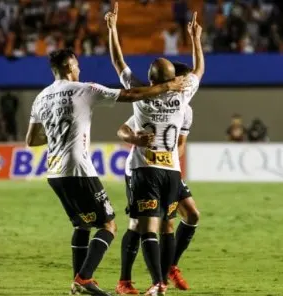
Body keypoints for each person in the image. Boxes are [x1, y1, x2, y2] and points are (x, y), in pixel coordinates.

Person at [26, 48, 186, 296]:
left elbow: (32, 140)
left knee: (81, 225)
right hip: (78, 169)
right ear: (69, 67)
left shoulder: (41, 98)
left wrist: (59, 129)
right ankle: (84, 279)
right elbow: (132, 93)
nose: (79, 69)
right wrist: (168, 87)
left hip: (54, 171)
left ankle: (78, 282)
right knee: (108, 225)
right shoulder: (83, 89)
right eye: (77, 65)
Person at [106, 3, 204, 295]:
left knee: (146, 227)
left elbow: (119, 64)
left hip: (146, 170)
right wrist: (196, 38)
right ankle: (153, 281)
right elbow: (198, 69)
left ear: (150, 80)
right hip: (170, 171)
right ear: (174, 78)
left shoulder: (140, 95)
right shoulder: (183, 95)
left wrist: (112, 29)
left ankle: (157, 282)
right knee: (156, 226)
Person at [116, 101, 200, 294]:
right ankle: (125, 281)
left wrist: (167, 159)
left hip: (168, 171)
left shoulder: (186, 110)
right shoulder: (153, 105)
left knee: (190, 214)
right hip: (141, 170)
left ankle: (169, 268)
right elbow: (122, 130)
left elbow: (180, 144)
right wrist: (135, 139)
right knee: (138, 224)